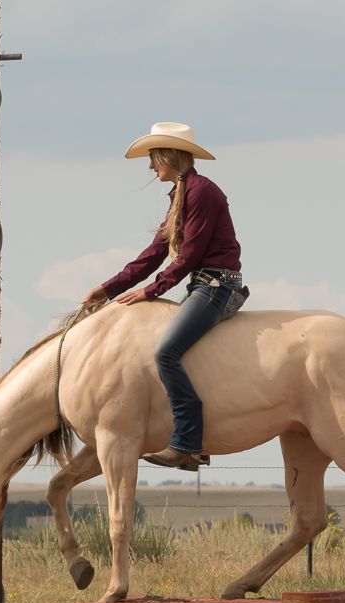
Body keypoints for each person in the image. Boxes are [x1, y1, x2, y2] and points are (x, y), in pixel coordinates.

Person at [82, 122, 245, 471]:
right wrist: (109, 288)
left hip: (218, 286)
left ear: (168, 156)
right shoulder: (183, 195)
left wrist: (151, 291)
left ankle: (187, 444)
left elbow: (189, 256)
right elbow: (154, 253)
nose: (150, 166)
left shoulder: (202, 193)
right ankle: (195, 439)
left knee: (166, 353)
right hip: (203, 285)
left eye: (153, 158)